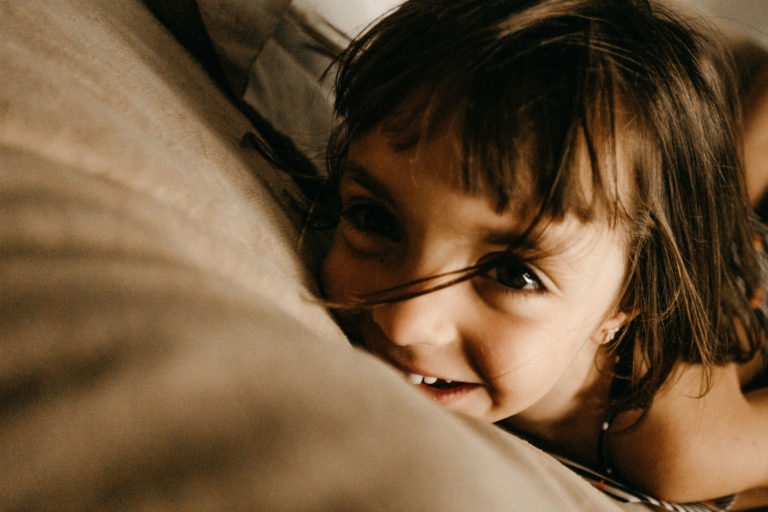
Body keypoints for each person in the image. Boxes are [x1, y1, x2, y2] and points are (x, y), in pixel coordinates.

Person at [315, 0, 768, 509]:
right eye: (377, 220)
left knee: (726, 207)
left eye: (515, 274)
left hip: (736, 274)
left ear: (625, 302)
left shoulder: (676, 444)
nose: (406, 322)